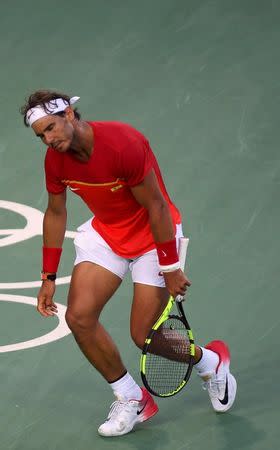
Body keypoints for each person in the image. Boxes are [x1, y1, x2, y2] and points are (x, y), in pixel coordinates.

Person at [20, 90, 237, 437]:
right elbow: (56, 212)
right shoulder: (55, 161)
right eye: (41, 135)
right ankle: (130, 397)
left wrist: (169, 267)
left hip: (154, 237)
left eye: (51, 127)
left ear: (70, 114)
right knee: (79, 317)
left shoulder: (123, 144)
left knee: (144, 336)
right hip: (107, 235)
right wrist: (47, 276)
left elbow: (157, 207)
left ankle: (211, 362)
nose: (49, 139)